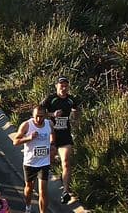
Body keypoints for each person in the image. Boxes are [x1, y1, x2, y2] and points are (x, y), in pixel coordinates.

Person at [42, 76, 79, 204]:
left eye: (65, 85)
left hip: (65, 136)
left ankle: (66, 191)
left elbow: (75, 110)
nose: (63, 88)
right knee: (49, 161)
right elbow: (38, 113)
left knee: (66, 162)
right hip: (50, 135)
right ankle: (46, 181)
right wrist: (52, 115)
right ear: (56, 86)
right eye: (61, 85)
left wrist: (75, 120)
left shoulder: (71, 99)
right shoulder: (50, 99)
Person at [13, 105, 52, 213]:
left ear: (45, 115)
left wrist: (52, 146)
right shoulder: (26, 125)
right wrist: (29, 138)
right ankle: (28, 206)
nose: (39, 119)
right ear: (32, 115)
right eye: (36, 116)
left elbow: (53, 135)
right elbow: (15, 141)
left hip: (44, 162)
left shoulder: (49, 124)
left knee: (43, 191)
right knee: (29, 188)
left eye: (41, 116)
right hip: (30, 163)